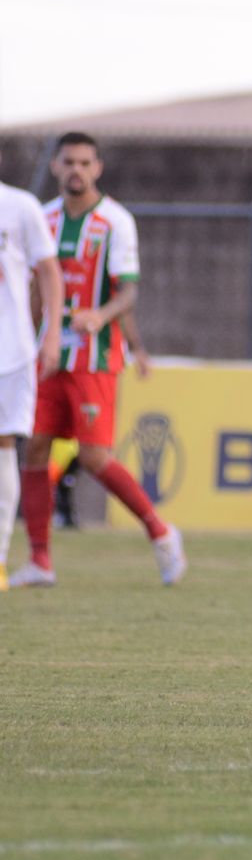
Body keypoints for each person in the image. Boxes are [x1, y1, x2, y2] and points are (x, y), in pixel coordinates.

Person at [10, 133, 186, 589]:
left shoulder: (115, 222)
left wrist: (105, 320)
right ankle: (40, 560)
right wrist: (28, 341)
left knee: (93, 456)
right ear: (55, 166)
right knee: (34, 447)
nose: (77, 170)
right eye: (69, 162)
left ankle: (161, 532)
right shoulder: (42, 217)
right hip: (49, 355)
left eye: (85, 163)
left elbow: (127, 291)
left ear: (98, 168)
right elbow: (35, 287)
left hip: (95, 357)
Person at [0, 156, 64, 591]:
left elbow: (49, 273)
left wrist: (52, 332)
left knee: (4, 444)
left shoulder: (20, 206)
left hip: (10, 351)